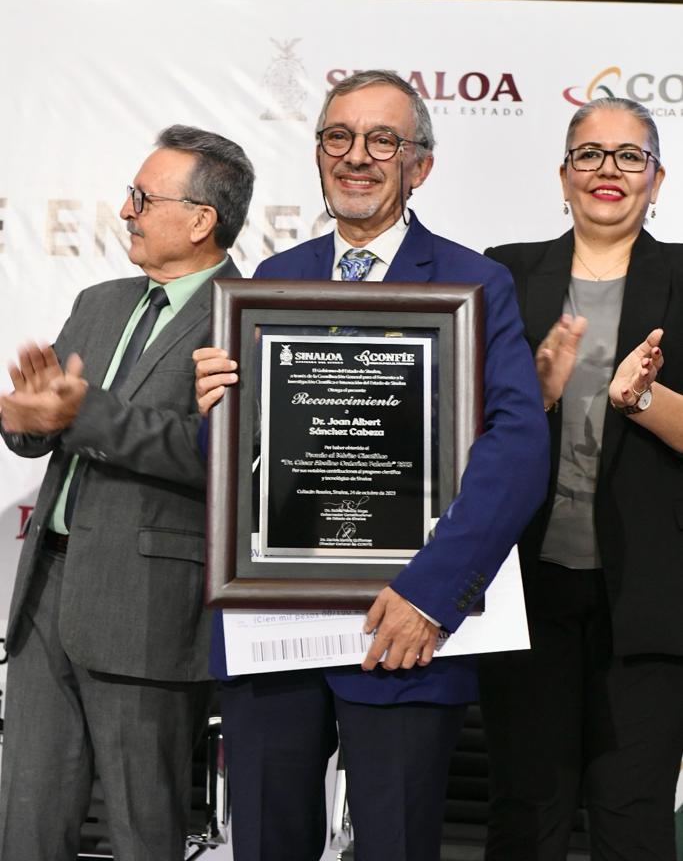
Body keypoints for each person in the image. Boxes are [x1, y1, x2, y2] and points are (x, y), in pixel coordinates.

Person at [193, 70, 550, 861]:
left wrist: (430, 594)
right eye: (338, 136)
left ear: (419, 164)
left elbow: (518, 451)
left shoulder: (473, 284)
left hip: (404, 631)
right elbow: (232, 467)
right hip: (274, 632)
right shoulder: (267, 282)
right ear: (318, 153)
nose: (356, 156)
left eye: (382, 139)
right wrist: (215, 413)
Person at [0, 125, 254, 861]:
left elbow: (219, 456)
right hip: (46, 591)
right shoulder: (100, 301)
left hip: (149, 608)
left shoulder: (248, 314)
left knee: (144, 831)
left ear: (201, 219)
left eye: (143, 198)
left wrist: (81, 413)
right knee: (25, 824)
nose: (125, 210)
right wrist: (23, 420)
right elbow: (47, 421)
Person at [478, 97, 683, 861]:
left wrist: (641, 401)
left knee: (632, 821)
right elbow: (458, 426)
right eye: (589, 154)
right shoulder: (503, 272)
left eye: (629, 156)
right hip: (524, 588)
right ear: (562, 174)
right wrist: (533, 395)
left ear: (656, 178)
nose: (608, 170)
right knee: (524, 815)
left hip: (650, 599)